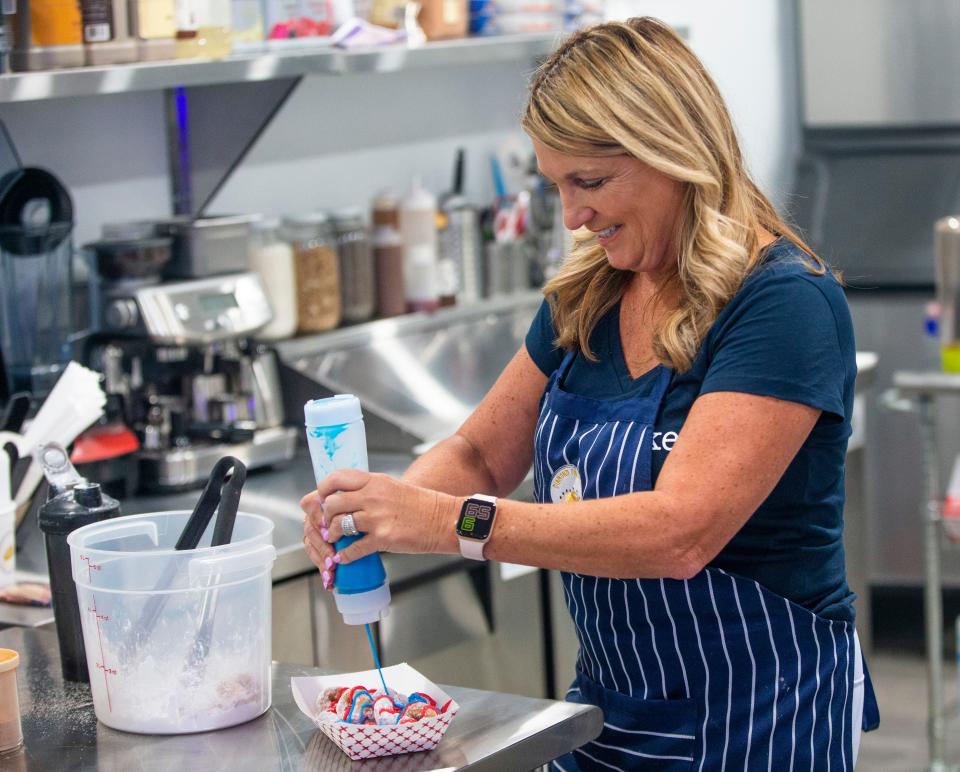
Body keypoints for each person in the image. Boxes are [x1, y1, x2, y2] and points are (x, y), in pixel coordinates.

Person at [302, 16, 879, 770]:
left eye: (591, 182)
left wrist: (450, 523)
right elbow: (479, 452)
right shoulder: (589, 296)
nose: (573, 216)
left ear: (676, 152)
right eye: (557, 185)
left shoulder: (783, 305)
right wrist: (379, 514)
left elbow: (680, 534)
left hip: (759, 718)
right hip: (609, 713)